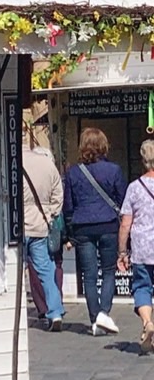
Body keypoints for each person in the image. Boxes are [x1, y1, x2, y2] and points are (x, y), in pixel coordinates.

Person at [64, 127, 127, 336]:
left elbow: (68, 205)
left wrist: (70, 232)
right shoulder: (114, 170)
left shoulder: (73, 172)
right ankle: (103, 314)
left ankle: (94, 318)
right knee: (108, 271)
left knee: (89, 275)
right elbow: (122, 200)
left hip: (82, 227)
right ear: (103, 145)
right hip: (108, 224)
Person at [19, 112, 66, 331]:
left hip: (16, 226)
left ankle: (16, 315)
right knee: (46, 271)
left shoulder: (9, 162)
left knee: (16, 273)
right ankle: (55, 312)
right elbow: (59, 194)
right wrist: (51, 214)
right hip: (41, 224)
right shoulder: (47, 164)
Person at [117, 138, 154, 353]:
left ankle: (148, 322)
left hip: (141, 248)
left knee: (142, 287)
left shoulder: (134, 188)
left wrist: (122, 251)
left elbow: (125, 223)